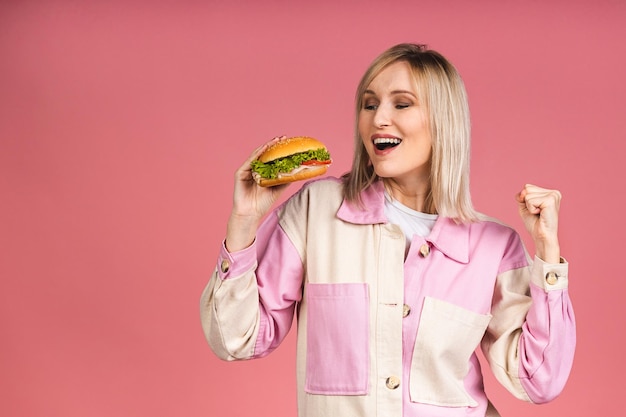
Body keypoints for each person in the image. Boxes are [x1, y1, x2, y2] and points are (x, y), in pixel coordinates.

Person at [200, 43, 576, 417]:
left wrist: (547, 253)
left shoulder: (494, 245)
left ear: (443, 120)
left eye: (401, 103)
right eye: (369, 104)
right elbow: (236, 338)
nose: (378, 118)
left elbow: (538, 381)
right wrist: (243, 222)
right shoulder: (317, 210)